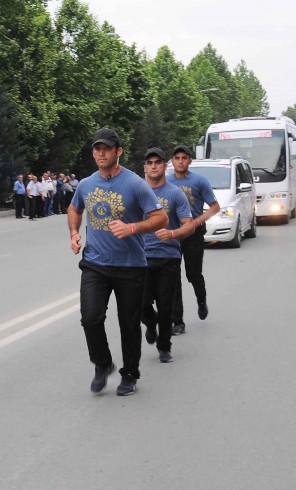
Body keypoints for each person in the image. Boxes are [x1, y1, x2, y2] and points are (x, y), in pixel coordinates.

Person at [68, 128, 167, 396]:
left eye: (107, 148)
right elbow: (74, 208)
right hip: (95, 264)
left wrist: (132, 228)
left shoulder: (136, 184)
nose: (101, 153)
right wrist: (74, 233)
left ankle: (130, 374)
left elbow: (161, 218)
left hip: (130, 266)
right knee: (90, 317)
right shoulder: (87, 184)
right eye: (97, 149)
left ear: (118, 151)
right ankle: (102, 363)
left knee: (129, 324)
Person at [140, 148, 194, 363]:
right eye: (149, 162)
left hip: (168, 257)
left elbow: (188, 225)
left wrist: (173, 233)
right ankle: (150, 323)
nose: (153, 166)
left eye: (158, 162)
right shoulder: (137, 192)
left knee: (165, 305)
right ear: (145, 167)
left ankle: (164, 346)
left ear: (164, 166)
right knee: (141, 303)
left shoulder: (175, 193)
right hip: (141, 257)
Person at [167, 145, 220, 335]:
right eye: (177, 158)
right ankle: (177, 321)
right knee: (173, 278)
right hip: (173, 234)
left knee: (193, 274)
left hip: (194, 234)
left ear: (190, 161)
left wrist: (196, 222)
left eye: (184, 158)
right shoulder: (166, 181)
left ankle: (201, 300)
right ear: (172, 161)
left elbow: (215, 207)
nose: (180, 161)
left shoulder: (199, 181)